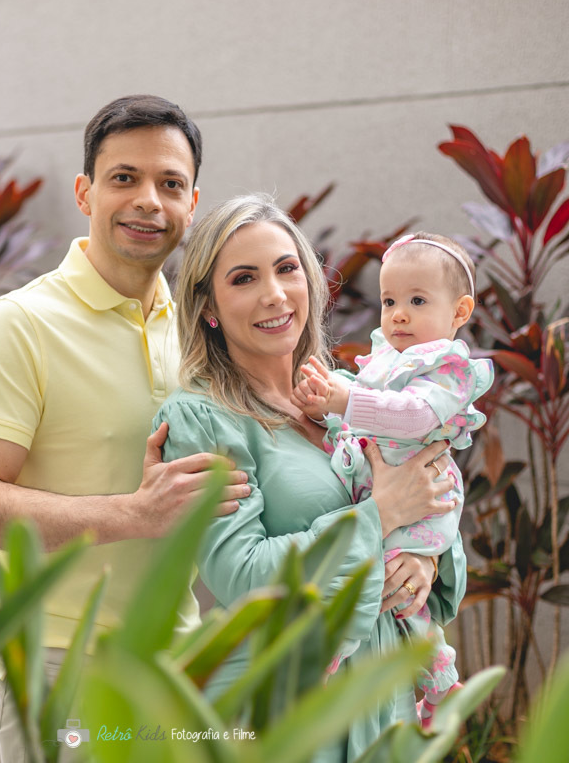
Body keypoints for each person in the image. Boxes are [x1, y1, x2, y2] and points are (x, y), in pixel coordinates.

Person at [0, 95, 251, 763]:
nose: (148, 200)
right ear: (85, 192)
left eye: (170, 184)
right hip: (61, 668)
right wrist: (132, 514)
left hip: (177, 665)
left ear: (192, 203)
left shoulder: (200, 332)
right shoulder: (20, 325)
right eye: (124, 178)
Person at [153, 194, 468, 759]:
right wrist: (381, 517)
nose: (274, 294)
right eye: (244, 278)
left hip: (385, 693)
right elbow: (242, 577)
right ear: (210, 307)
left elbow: (429, 485)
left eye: (286, 269)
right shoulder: (202, 420)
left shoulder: (354, 394)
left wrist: (426, 557)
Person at [292, 231, 493, 726]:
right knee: (404, 605)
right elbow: (363, 411)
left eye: (417, 300)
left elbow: (412, 417)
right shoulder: (389, 359)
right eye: (389, 300)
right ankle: (442, 687)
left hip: (421, 500)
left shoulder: (448, 369)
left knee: (377, 587)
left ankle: (326, 659)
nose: (398, 313)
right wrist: (330, 403)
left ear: (460, 311)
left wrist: (343, 401)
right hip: (389, 491)